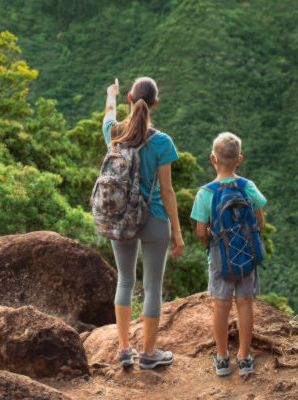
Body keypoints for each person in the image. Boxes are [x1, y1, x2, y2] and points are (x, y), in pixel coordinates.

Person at [102, 77, 185, 369]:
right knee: (152, 286)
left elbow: (108, 115)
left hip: (120, 217)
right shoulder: (163, 142)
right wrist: (177, 231)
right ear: (156, 104)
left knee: (125, 281)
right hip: (155, 220)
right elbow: (167, 190)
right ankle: (149, 354)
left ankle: (124, 350)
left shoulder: (114, 133)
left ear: (129, 98)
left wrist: (110, 95)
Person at [190, 132, 266, 377]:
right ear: (239, 159)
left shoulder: (205, 193)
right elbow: (260, 224)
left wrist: (212, 241)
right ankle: (244, 357)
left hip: (220, 259)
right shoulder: (248, 187)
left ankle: (222, 359)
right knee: (245, 304)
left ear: (213, 159)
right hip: (246, 257)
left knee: (221, 306)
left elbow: (201, 231)